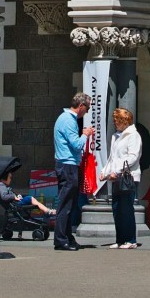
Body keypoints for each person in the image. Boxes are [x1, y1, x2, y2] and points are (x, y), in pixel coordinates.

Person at [53, 92, 94, 251]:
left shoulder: (65, 119)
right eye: (88, 108)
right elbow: (77, 145)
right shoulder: (68, 121)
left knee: (70, 203)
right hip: (67, 165)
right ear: (81, 106)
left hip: (67, 164)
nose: (88, 111)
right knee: (66, 204)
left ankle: (67, 237)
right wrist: (85, 135)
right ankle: (61, 239)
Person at [99, 108, 142, 249]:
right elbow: (113, 157)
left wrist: (117, 171)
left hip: (128, 177)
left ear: (125, 121)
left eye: (117, 121)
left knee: (127, 208)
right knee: (117, 208)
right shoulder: (116, 136)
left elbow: (133, 157)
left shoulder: (133, 135)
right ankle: (120, 239)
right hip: (117, 177)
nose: (115, 123)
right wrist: (104, 171)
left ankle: (131, 240)